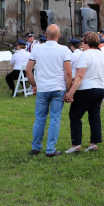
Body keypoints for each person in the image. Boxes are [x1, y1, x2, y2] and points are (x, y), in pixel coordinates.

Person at [26, 24, 72, 157]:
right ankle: (50, 148)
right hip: (58, 88)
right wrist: (69, 90)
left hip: (43, 88)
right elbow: (68, 72)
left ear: (45, 35)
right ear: (59, 36)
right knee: (55, 118)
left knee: (40, 118)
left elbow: (28, 70)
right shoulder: (64, 49)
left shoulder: (37, 48)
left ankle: (36, 147)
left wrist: (34, 85)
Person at [64, 32, 104, 153]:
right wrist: (103, 88)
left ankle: (76, 144)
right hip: (99, 88)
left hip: (86, 89)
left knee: (75, 115)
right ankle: (94, 143)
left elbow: (79, 76)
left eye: (83, 42)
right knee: (95, 116)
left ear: (87, 43)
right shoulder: (102, 55)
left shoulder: (84, 55)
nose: (81, 44)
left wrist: (71, 92)